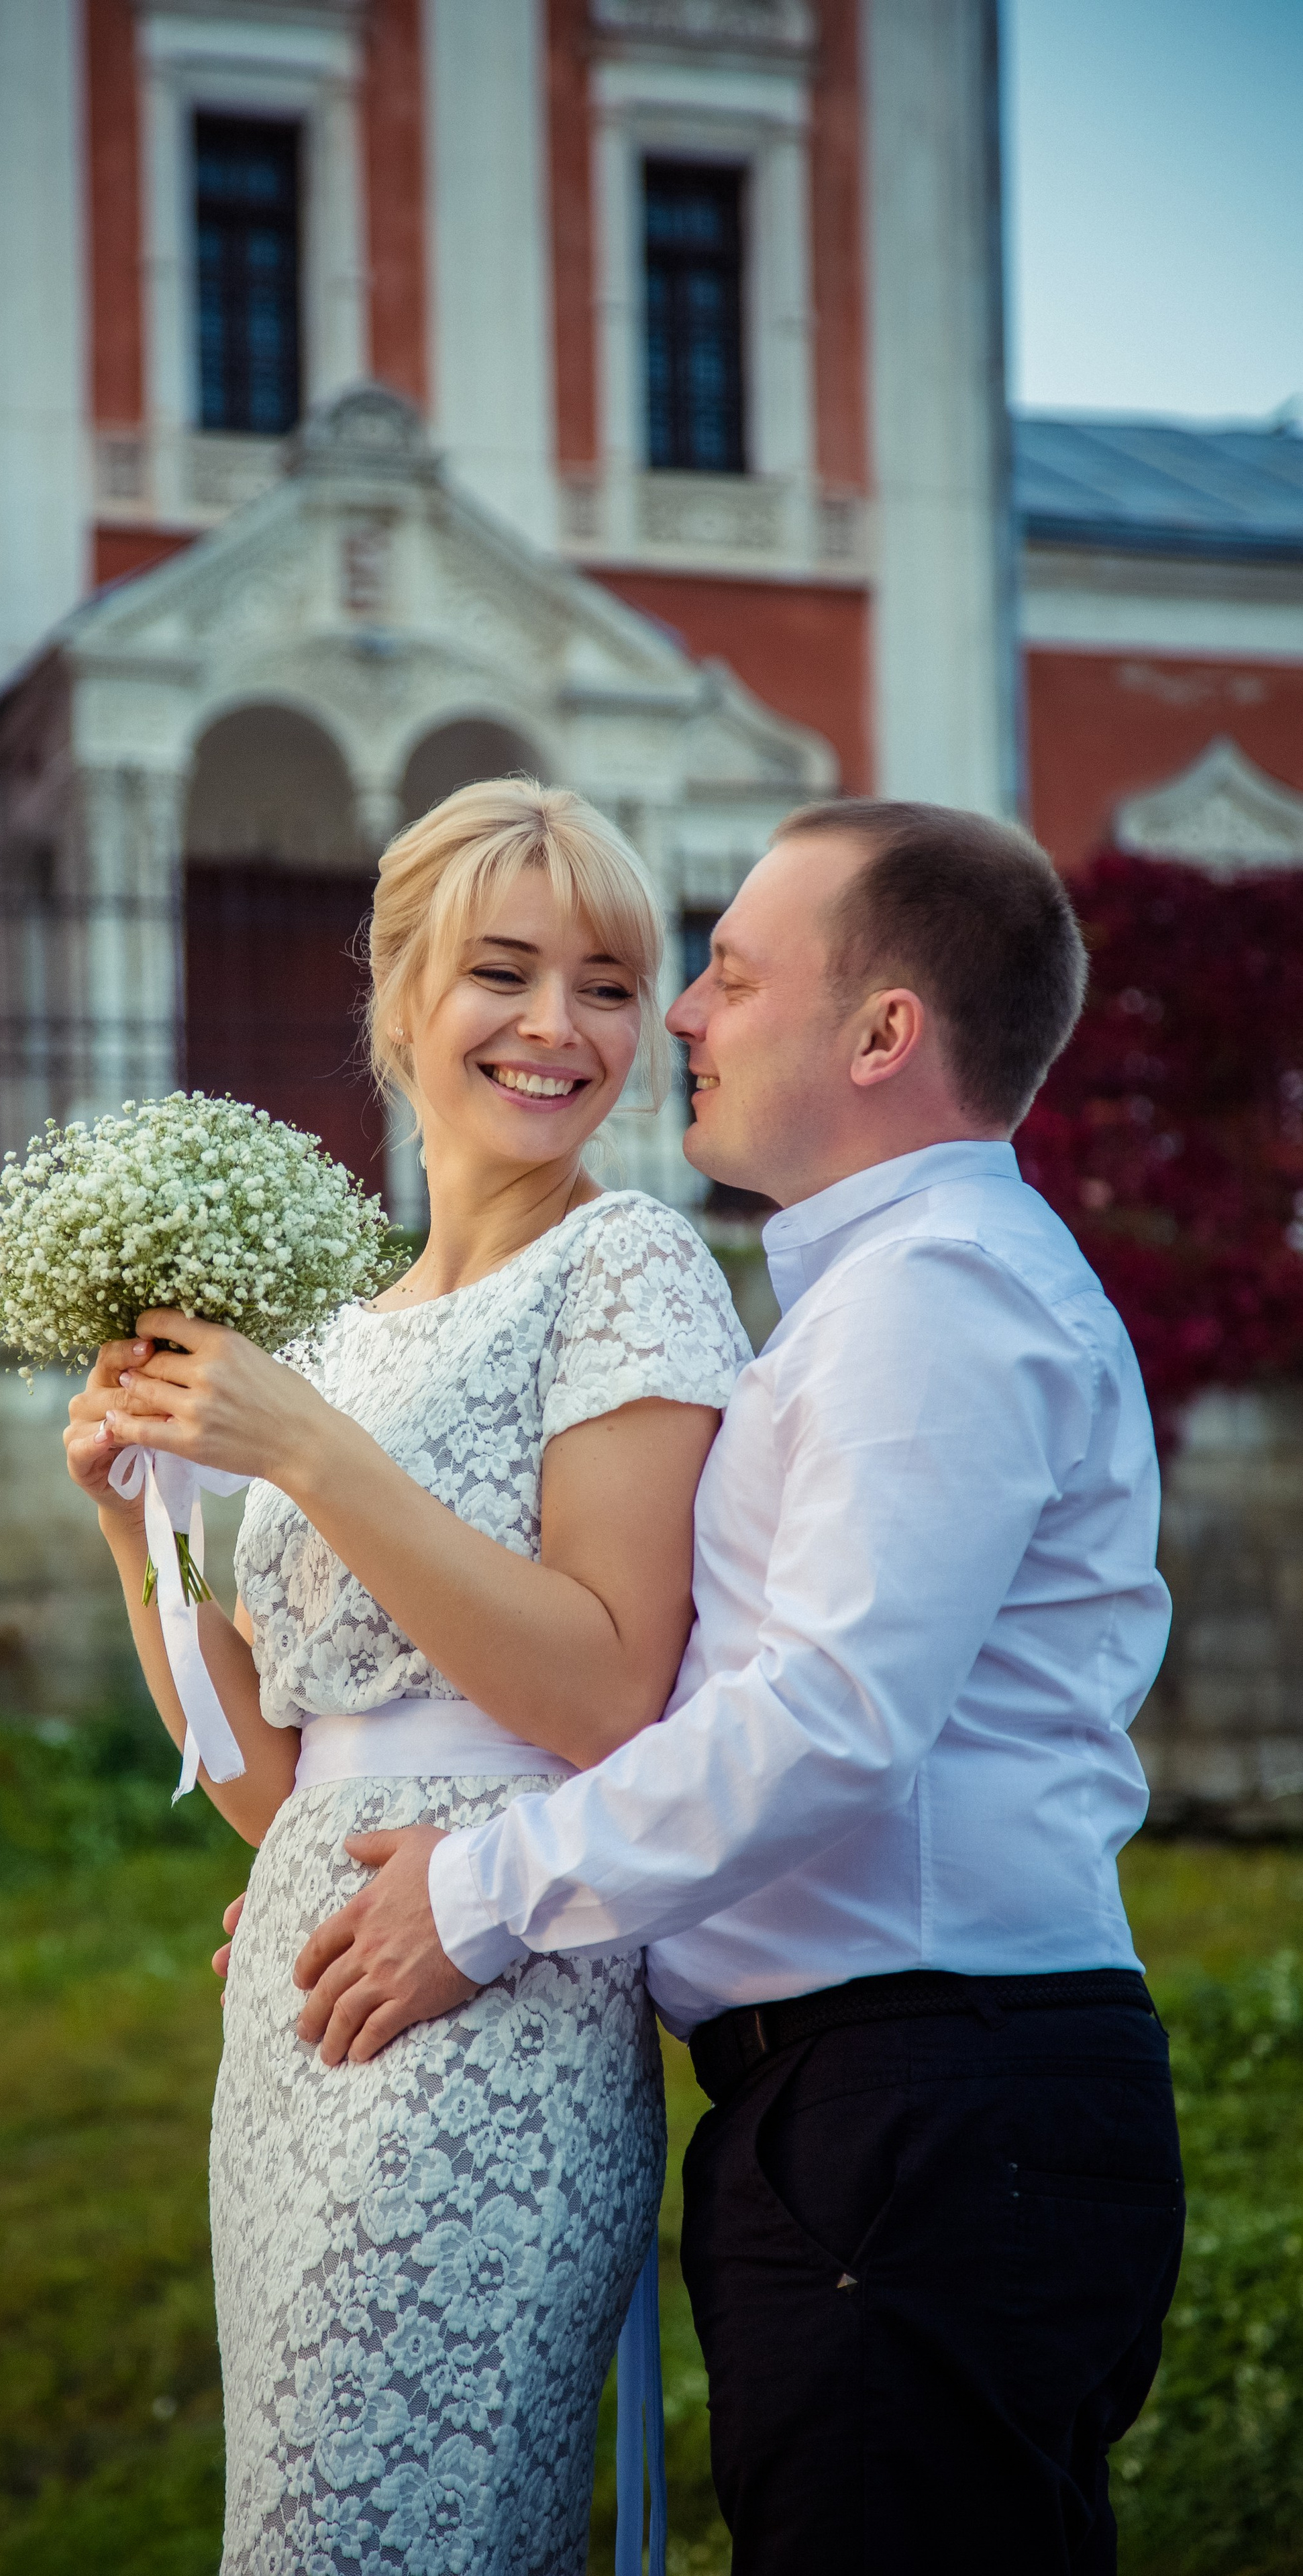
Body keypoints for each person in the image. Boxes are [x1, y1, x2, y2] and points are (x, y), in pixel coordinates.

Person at [293, 799, 1187, 2575]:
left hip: (927, 2099)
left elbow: (831, 1725)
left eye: (727, 972)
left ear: (882, 1036)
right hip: (885, 2104)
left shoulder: (934, 1304)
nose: (682, 1017)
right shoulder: (881, 1303)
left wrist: (475, 1897)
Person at [62, 780, 747, 2572]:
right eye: (503, 971)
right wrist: (138, 1536)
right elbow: (268, 1785)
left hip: (496, 1986)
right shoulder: (345, 1334)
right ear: (395, 996)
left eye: (609, 982)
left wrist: (301, 1451)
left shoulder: (629, 1267)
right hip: (303, 1996)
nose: (559, 1027)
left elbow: (607, 1697)